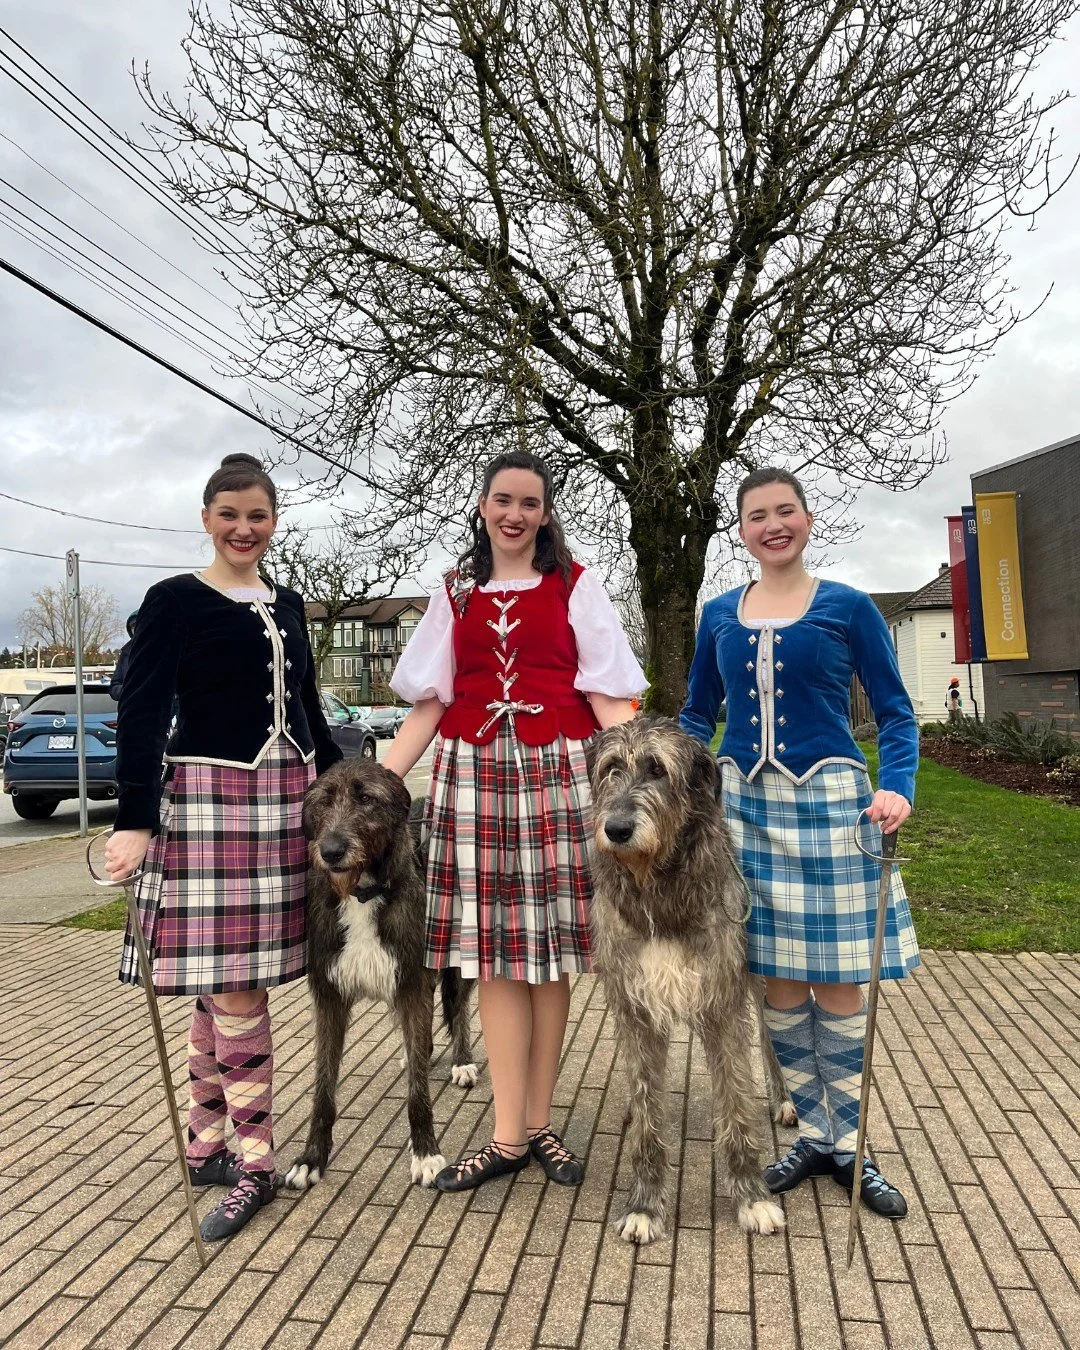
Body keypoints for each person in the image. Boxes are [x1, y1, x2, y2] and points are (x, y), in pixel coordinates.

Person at [385, 450, 645, 1191]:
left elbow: (608, 696)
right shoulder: (455, 592)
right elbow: (430, 701)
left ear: (546, 513)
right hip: (472, 776)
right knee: (495, 954)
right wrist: (384, 779)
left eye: (529, 503)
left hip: (558, 774)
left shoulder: (576, 586)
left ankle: (540, 1123)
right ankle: (505, 1135)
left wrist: (638, 775)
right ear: (482, 503)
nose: (514, 514)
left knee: (549, 953)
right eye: (503, 500)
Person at [104, 453, 341, 1242]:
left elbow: (306, 703)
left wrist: (340, 795)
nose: (245, 529)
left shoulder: (291, 603)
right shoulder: (172, 601)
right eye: (230, 514)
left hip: (288, 802)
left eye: (259, 516)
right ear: (206, 518)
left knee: (227, 983)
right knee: (235, 985)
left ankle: (208, 1141)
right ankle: (256, 1160)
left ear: (275, 523)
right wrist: (132, 819)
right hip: (209, 799)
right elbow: (139, 714)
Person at [680, 467, 919, 1220]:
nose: (772, 525)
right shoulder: (718, 613)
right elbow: (695, 715)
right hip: (744, 814)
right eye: (757, 515)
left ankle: (849, 1143)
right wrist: (683, 784)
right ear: (742, 530)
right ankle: (812, 1135)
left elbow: (896, 712)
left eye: (786, 511)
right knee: (778, 982)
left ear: (807, 520)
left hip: (834, 810)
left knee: (841, 983)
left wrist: (899, 786)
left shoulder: (848, 608)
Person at [108, 611, 140, 702]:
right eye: (133, 625)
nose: (135, 628)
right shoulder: (125, 653)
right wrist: (127, 690)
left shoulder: (162, 649)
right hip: (131, 712)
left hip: (158, 712)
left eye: (138, 624)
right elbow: (114, 686)